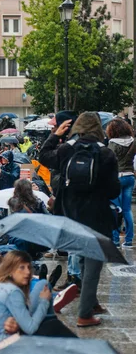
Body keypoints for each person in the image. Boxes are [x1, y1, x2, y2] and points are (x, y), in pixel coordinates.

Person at [39, 112, 120, 327]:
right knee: (93, 262)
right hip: (96, 215)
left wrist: (55, 135)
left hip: (70, 214)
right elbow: (113, 191)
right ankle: (84, 314)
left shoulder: (67, 149)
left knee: (83, 256)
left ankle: (91, 302)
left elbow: (44, 156)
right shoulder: (106, 154)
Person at [0, 250, 52, 353]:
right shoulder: (12, 291)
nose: (28, 272)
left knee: (43, 284)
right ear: (10, 271)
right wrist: (44, 302)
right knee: (44, 289)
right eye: (22, 268)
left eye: (29, 267)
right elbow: (30, 328)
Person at [106, 118, 136, 248]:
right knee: (127, 210)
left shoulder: (112, 143)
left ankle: (115, 240)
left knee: (116, 210)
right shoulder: (133, 142)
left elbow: (109, 162)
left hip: (117, 178)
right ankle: (129, 240)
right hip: (130, 177)